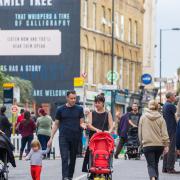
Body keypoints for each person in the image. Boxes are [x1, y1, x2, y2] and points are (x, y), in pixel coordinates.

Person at [47, 90, 86, 180]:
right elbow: (56, 124)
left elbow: (81, 122)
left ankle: (70, 176)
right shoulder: (60, 109)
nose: (73, 100)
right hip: (63, 137)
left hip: (75, 137)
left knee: (72, 159)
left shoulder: (79, 109)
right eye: (71, 98)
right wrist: (51, 137)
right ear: (67, 98)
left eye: (74, 98)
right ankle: (65, 177)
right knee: (64, 157)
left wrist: (83, 126)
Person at [82, 94, 114, 176]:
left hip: (104, 137)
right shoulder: (92, 113)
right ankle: (91, 169)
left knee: (106, 152)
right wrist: (96, 130)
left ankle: (107, 166)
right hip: (94, 137)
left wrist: (109, 131)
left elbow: (111, 125)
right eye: (95, 102)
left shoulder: (107, 113)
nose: (96, 104)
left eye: (98, 102)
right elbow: (89, 124)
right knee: (92, 152)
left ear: (103, 103)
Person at [139, 100, 169, 180]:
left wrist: (141, 143)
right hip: (159, 145)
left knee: (150, 164)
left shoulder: (143, 117)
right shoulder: (161, 118)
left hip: (147, 145)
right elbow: (164, 133)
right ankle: (156, 178)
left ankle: (152, 177)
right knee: (155, 163)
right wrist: (166, 145)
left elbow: (140, 132)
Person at [162, 92, 178, 173]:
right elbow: (177, 112)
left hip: (167, 129)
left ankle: (165, 167)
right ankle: (170, 168)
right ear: (170, 97)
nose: (175, 97)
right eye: (174, 96)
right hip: (172, 129)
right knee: (171, 149)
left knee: (167, 149)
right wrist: (176, 102)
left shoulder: (165, 105)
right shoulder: (171, 105)